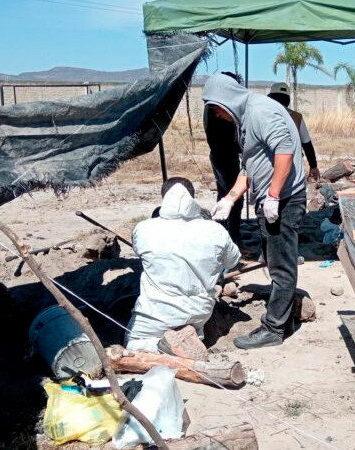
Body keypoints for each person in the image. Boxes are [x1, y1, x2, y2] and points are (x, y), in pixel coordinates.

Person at [203, 74, 307, 349]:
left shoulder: (260, 111)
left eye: (215, 107)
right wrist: (230, 198)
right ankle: (286, 318)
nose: (215, 113)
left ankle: (274, 329)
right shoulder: (245, 118)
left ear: (227, 98)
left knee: (281, 266)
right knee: (274, 261)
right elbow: (251, 165)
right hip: (272, 200)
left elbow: (284, 150)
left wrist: (273, 195)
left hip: (284, 200)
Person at [125, 177, 240, 353]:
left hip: (156, 313)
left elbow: (138, 253)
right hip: (200, 311)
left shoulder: (144, 228)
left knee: (133, 343)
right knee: (194, 329)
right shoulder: (216, 230)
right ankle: (193, 339)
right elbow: (232, 261)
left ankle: (160, 347)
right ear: (193, 198)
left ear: (163, 198)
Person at [205, 71, 244, 245]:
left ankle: (223, 234)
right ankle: (233, 238)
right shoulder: (218, 107)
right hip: (224, 156)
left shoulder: (214, 105)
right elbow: (227, 135)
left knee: (224, 195)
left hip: (223, 155)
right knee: (234, 197)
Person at [267, 82, 321, 182]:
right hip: (293, 166)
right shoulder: (297, 117)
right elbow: (306, 143)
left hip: (269, 165)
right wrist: (313, 165)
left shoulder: (263, 116)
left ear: (271, 97)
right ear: (288, 100)